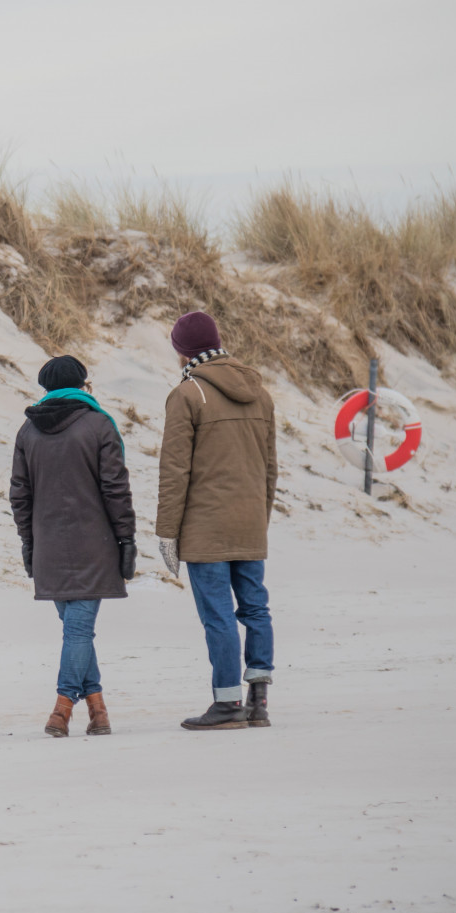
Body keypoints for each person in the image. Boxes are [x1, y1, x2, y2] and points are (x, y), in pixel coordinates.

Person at [155, 311, 278, 731]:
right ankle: (258, 700)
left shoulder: (187, 394)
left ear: (182, 350)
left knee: (219, 615)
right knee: (256, 609)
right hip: (249, 522)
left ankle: (226, 704)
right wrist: (260, 517)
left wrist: (167, 534)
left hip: (206, 529)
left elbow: (174, 473)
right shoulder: (260, 393)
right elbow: (270, 467)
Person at [9, 355, 137, 738]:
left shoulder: (27, 432)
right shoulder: (100, 425)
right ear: (84, 385)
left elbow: (20, 496)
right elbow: (116, 488)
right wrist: (126, 538)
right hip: (94, 545)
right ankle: (63, 709)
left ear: (45, 388)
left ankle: (98, 711)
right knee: (78, 632)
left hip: (49, 545)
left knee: (75, 630)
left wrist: (29, 543)